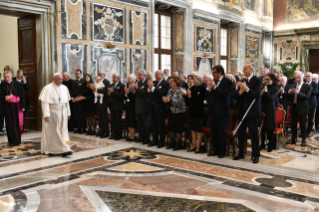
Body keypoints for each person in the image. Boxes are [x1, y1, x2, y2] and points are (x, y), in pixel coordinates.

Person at [233, 63, 261, 164]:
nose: (243, 70)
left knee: (254, 134)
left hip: (252, 111)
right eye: (243, 68)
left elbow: (257, 95)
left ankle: (256, 155)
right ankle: (241, 153)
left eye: (245, 69)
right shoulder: (242, 81)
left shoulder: (257, 80)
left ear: (251, 69)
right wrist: (240, 91)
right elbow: (235, 95)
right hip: (242, 111)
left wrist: (247, 89)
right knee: (241, 133)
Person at [39, 73, 72, 157]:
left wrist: (68, 113)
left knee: (63, 131)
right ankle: (54, 149)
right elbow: (45, 103)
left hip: (63, 112)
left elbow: (66, 102)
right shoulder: (47, 88)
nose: (61, 80)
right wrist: (46, 115)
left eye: (62, 79)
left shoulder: (64, 88)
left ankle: (65, 148)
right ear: (54, 79)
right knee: (54, 132)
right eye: (59, 79)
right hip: (52, 113)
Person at [207, 65, 232, 158]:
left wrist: (215, 87)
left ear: (219, 73)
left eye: (214, 72)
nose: (212, 74)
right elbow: (212, 95)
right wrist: (210, 89)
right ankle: (215, 149)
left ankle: (222, 151)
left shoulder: (227, 81)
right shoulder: (215, 81)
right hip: (213, 110)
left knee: (221, 132)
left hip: (222, 111)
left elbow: (224, 94)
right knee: (214, 131)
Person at [0, 71, 26, 146]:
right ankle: (11, 140)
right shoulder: (2, 85)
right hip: (7, 107)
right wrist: (4, 97)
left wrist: (23, 106)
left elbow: (23, 95)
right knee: (9, 124)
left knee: (16, 123)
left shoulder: (17, 84)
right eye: (5, 77)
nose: (6, 79)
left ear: (11, 76)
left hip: (17, 106)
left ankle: (17, 140)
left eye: (8, 77)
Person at [286, 71, 311, 146]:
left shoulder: (307, 86)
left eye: (299, 78)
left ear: (303, 78)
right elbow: (288, 97)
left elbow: (307, 96)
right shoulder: (293, 85)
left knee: (303, 125)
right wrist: (289, 92)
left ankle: (303, 140)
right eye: (297, 78)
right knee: (293, 124)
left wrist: (298, 93)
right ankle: (293, 139)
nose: (298, 79)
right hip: (294, 107)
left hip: (302, 108)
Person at [163, 76, 186, 150]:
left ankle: (179, 144)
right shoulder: (170, 90)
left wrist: (169, 101)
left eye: (172, 81)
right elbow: (168, 98)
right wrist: (165, 100)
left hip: (179, 112)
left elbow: (179, 102)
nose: (170, 83)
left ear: (176, 82)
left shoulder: (180, 90)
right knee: (171, 128)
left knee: (178, 129)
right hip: (171, 111)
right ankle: (172, 143)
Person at [147, 70, 169, 148]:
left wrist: (152, 88)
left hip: (160, 108)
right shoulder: (154, 83)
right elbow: (150, 94)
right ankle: (154, 140)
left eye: (157, 75)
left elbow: (162, 94)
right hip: (153, 107)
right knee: (154, 124)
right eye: (155, 75)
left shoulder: (165, 84)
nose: (156, 77)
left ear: (162, 75)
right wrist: (149, 89)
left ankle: (161, 141)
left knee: (160, 125)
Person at [187, 73, 206, 153]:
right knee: (192, 130)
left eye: (194, 79)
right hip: (192, 111)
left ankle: (198, 147)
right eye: (193, 79)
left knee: (198, 130)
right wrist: (188, 96)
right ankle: (193, 145)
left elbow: (200, 100)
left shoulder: (203, 88)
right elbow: (189, 101)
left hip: (199, 112)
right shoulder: (192, 88)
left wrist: (191, 97)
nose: (193, 80)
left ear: (199, 80)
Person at [260, 74, 279, 152]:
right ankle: (262, 144)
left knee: (270, 128)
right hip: (262, 108)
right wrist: (261, 93)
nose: (266, 81)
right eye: (265, 79)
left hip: (270, 110)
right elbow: (260, 97)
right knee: (262, 128)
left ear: (273, 81)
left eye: (268, 79)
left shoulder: (275, 89)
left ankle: (270, 145)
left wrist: (266, 91)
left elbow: (271, 98)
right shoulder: (263, 87)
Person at [132, 70, 151, 143]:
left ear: (144, 76)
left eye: (140, 75)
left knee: (145, 123)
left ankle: (147, 138)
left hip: (145, 106)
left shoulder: (147, 82)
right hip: (138, 106)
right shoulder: (138, 83)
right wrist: (134, 90)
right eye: (138, 75)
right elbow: (135, 95)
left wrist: (137, 89)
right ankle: (142, 137)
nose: (138, 77)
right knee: (140, 124)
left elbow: (144, 93)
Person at [90, 70, 110, 138]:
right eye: (98, 74)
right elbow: (95, 90)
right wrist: (95, 90)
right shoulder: (96, 82)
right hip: (98, 102)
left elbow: (104, 91)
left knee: (104, 118)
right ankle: (101, 131)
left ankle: (106, 132)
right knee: (100, 118)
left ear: (104, 75)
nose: (99, 76)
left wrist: (96, 89)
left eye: (101, 74)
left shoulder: (106, 82)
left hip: (104, 102)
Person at [109, 73, 125, 140]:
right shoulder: (111, 85)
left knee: (118, 120)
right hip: (112, 105)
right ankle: (115, 134)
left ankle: (119, 134)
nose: (113, 79)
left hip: (118, 105)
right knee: (114, 120)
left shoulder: (122, 85)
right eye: (113, 77)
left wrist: (113, 92)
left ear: (118, 79)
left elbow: (121, 95)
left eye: (114, 78)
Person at [71, 69, 85, 134]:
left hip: (80, 101)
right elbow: (72, 91)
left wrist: (77, 98)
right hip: (74, 101)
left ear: (81, 74)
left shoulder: (83, 81)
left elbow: (83, 92)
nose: (76, 75)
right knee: (77, 115)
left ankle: (82, 128)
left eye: (78, 74)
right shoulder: (74, 82)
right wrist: (72, 98)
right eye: (76, 74)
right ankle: (79, 128)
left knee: (81, 115)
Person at [124, 74, 137, 141]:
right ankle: (130, 135)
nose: (128, 80)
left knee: (132, 122)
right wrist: (126, 94)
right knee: (128, 121)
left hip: (133, 106)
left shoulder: (134, 86)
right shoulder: (127, 86)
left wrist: (128, 93)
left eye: (129, 79)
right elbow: (125, 96)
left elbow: (134, 97)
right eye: (128, 79)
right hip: (127, 106)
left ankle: (133, 136)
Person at [305, 72, 318, 137]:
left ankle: (308, 131)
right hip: (304, 103)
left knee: (311, 118)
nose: (307, 78)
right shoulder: (304, 84)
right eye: (306, 76)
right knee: (304, 118)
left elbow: (315, 92)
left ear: (311, 77)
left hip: (312, 103)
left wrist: (309, 89)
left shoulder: (314, 84)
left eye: (309, 76)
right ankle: (303, 131)